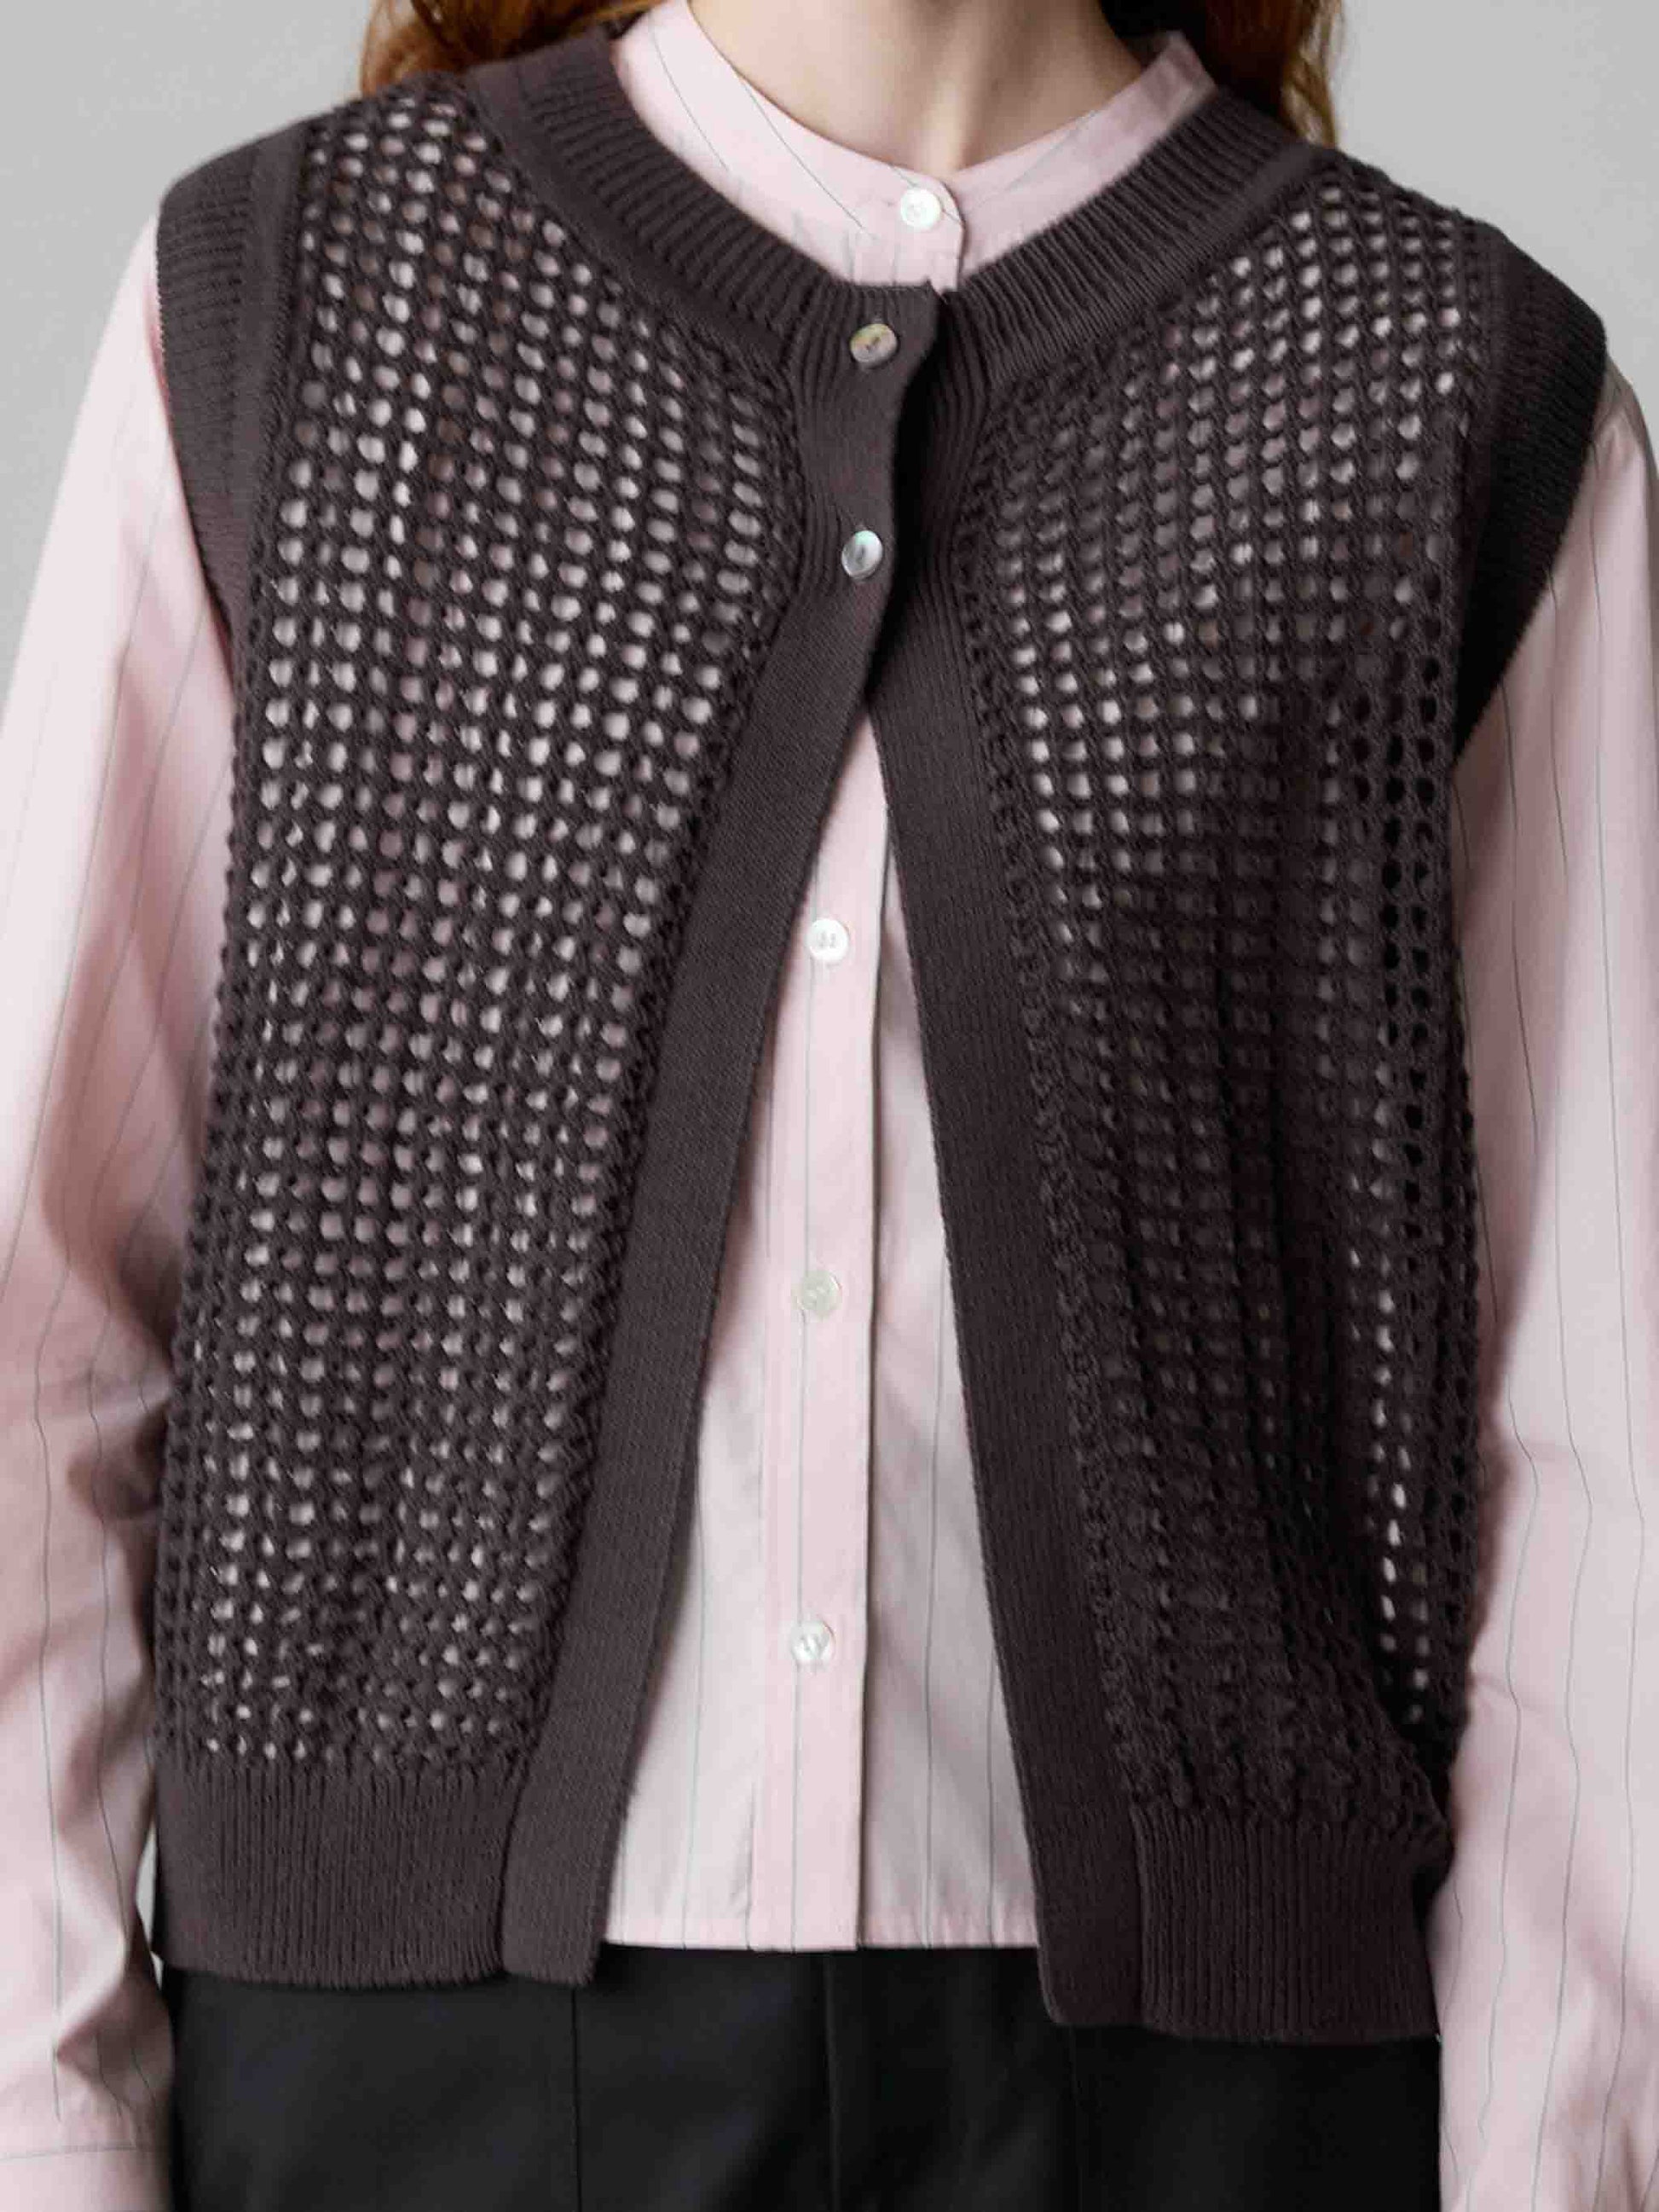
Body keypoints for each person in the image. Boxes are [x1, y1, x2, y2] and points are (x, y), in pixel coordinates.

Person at [2, 0, 1655, 2205]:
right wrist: (49, 2116)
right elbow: (44, 1319)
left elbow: (1603, 1424)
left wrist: (1557, 2159)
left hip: (1210, 2104)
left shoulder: (1443, 378)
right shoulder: (300, 302)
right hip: (404, 2081)